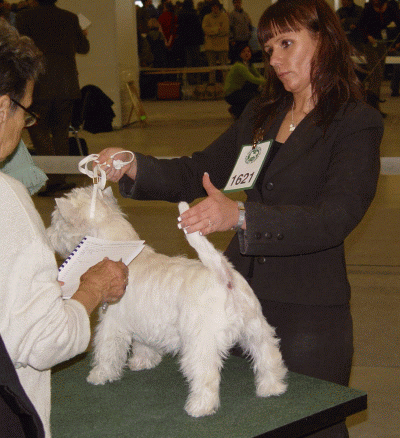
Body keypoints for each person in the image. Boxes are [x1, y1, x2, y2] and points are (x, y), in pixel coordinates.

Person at [98, 0, 383, 436]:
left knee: (312, 426)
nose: (274, 59)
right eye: (268, 47)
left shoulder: (355, 122)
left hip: (309, 314)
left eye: (287, 43)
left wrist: (242, 216)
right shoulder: (260, 114)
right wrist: (133, 164)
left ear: (324, 40)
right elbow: (198, 171)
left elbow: (335, 216)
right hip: (231, 299)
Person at [0, 18, 129, 438]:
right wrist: (91, 289)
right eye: (25, 112)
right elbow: (44, 342)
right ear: (3, 107)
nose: (23, 127)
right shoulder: (7, 200)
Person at [16, 0, 90, 196]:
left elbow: (18, 49)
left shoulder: (25, 18)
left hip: (38, 84)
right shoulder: (70, 17)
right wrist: (82, 36)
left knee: (38, 132)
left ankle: (52, 178)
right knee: (60, 132)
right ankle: (59, 177)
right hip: (66, 84)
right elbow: (84, 48)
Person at [358, 0, 400, 111]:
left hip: (382, 43)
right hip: (369, 44)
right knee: (376, 73)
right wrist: (368, 36)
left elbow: (398, 23)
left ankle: (374, 105)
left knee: (379, 74)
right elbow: (361, 26)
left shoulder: (391, 8)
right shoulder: (368, 8)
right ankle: (372, 105)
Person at [224, 42, 265, 119]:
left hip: (239, 90)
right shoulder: (239, 66)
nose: (246, 53)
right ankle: (237, 111)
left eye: (248, 51)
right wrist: (268, 82)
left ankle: (235, 109)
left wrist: (264, 81)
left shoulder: (249, 64)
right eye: (243, 52)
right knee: (255, 95)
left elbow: (258, 76)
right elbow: (252, 79)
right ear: (239, 54)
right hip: (231, 94)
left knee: (257, 90)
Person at [202, 0, 229, 84]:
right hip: (210, 47)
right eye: (213, 6)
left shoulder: (224, 16)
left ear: (219, 7)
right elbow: (205, 29)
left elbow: (225, 30)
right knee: (211, 68)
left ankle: (226, 85)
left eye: (216, 6)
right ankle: (212, 85)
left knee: (224, 68)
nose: (215, 8)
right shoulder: (206, 17)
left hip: (222, 46)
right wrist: (217, 29)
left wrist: (211, 32)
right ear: (211, 8)